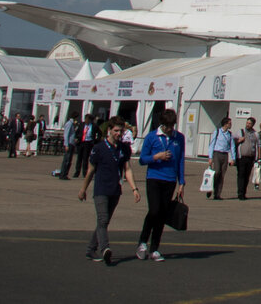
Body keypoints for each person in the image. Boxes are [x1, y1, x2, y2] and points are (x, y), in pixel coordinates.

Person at [134, 108, 186, 261]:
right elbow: (142, 159)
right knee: (154, 210)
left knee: (162, 214)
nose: (170, 129)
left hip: (170, 180)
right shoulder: (152, 137)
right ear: (162, 124)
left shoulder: (179, 138)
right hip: (154, 178)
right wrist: (157, 156)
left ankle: (154, 248)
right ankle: (143, 241)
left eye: (172, 126)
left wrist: (181, 182)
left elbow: (181, 159)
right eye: (167, 126)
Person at [78, 118, 130, 265]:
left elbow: (128, 169)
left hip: (115, 190)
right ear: (109, 130)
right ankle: (105, 248)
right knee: (102, 219)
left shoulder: (123, 148)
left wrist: (134, 189)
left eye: (121, 131)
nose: (119, 134)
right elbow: (91, 170)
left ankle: (90, 249)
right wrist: (83, 189)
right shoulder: (99, 148)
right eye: (116, 131)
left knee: (104, 221)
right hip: (101, 189)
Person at [209, 117, 234, 199]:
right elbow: (212, 144)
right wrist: (210, 157)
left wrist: (233, 158)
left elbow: (232, 146)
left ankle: (217, 194)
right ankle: (210, 188)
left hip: (225, 154)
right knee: (216, 172)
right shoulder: (217, 132)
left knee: (222, 175)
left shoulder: (229, 134)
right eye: (230, 123)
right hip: (217, 153)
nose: (231, 125)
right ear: (225, 124)